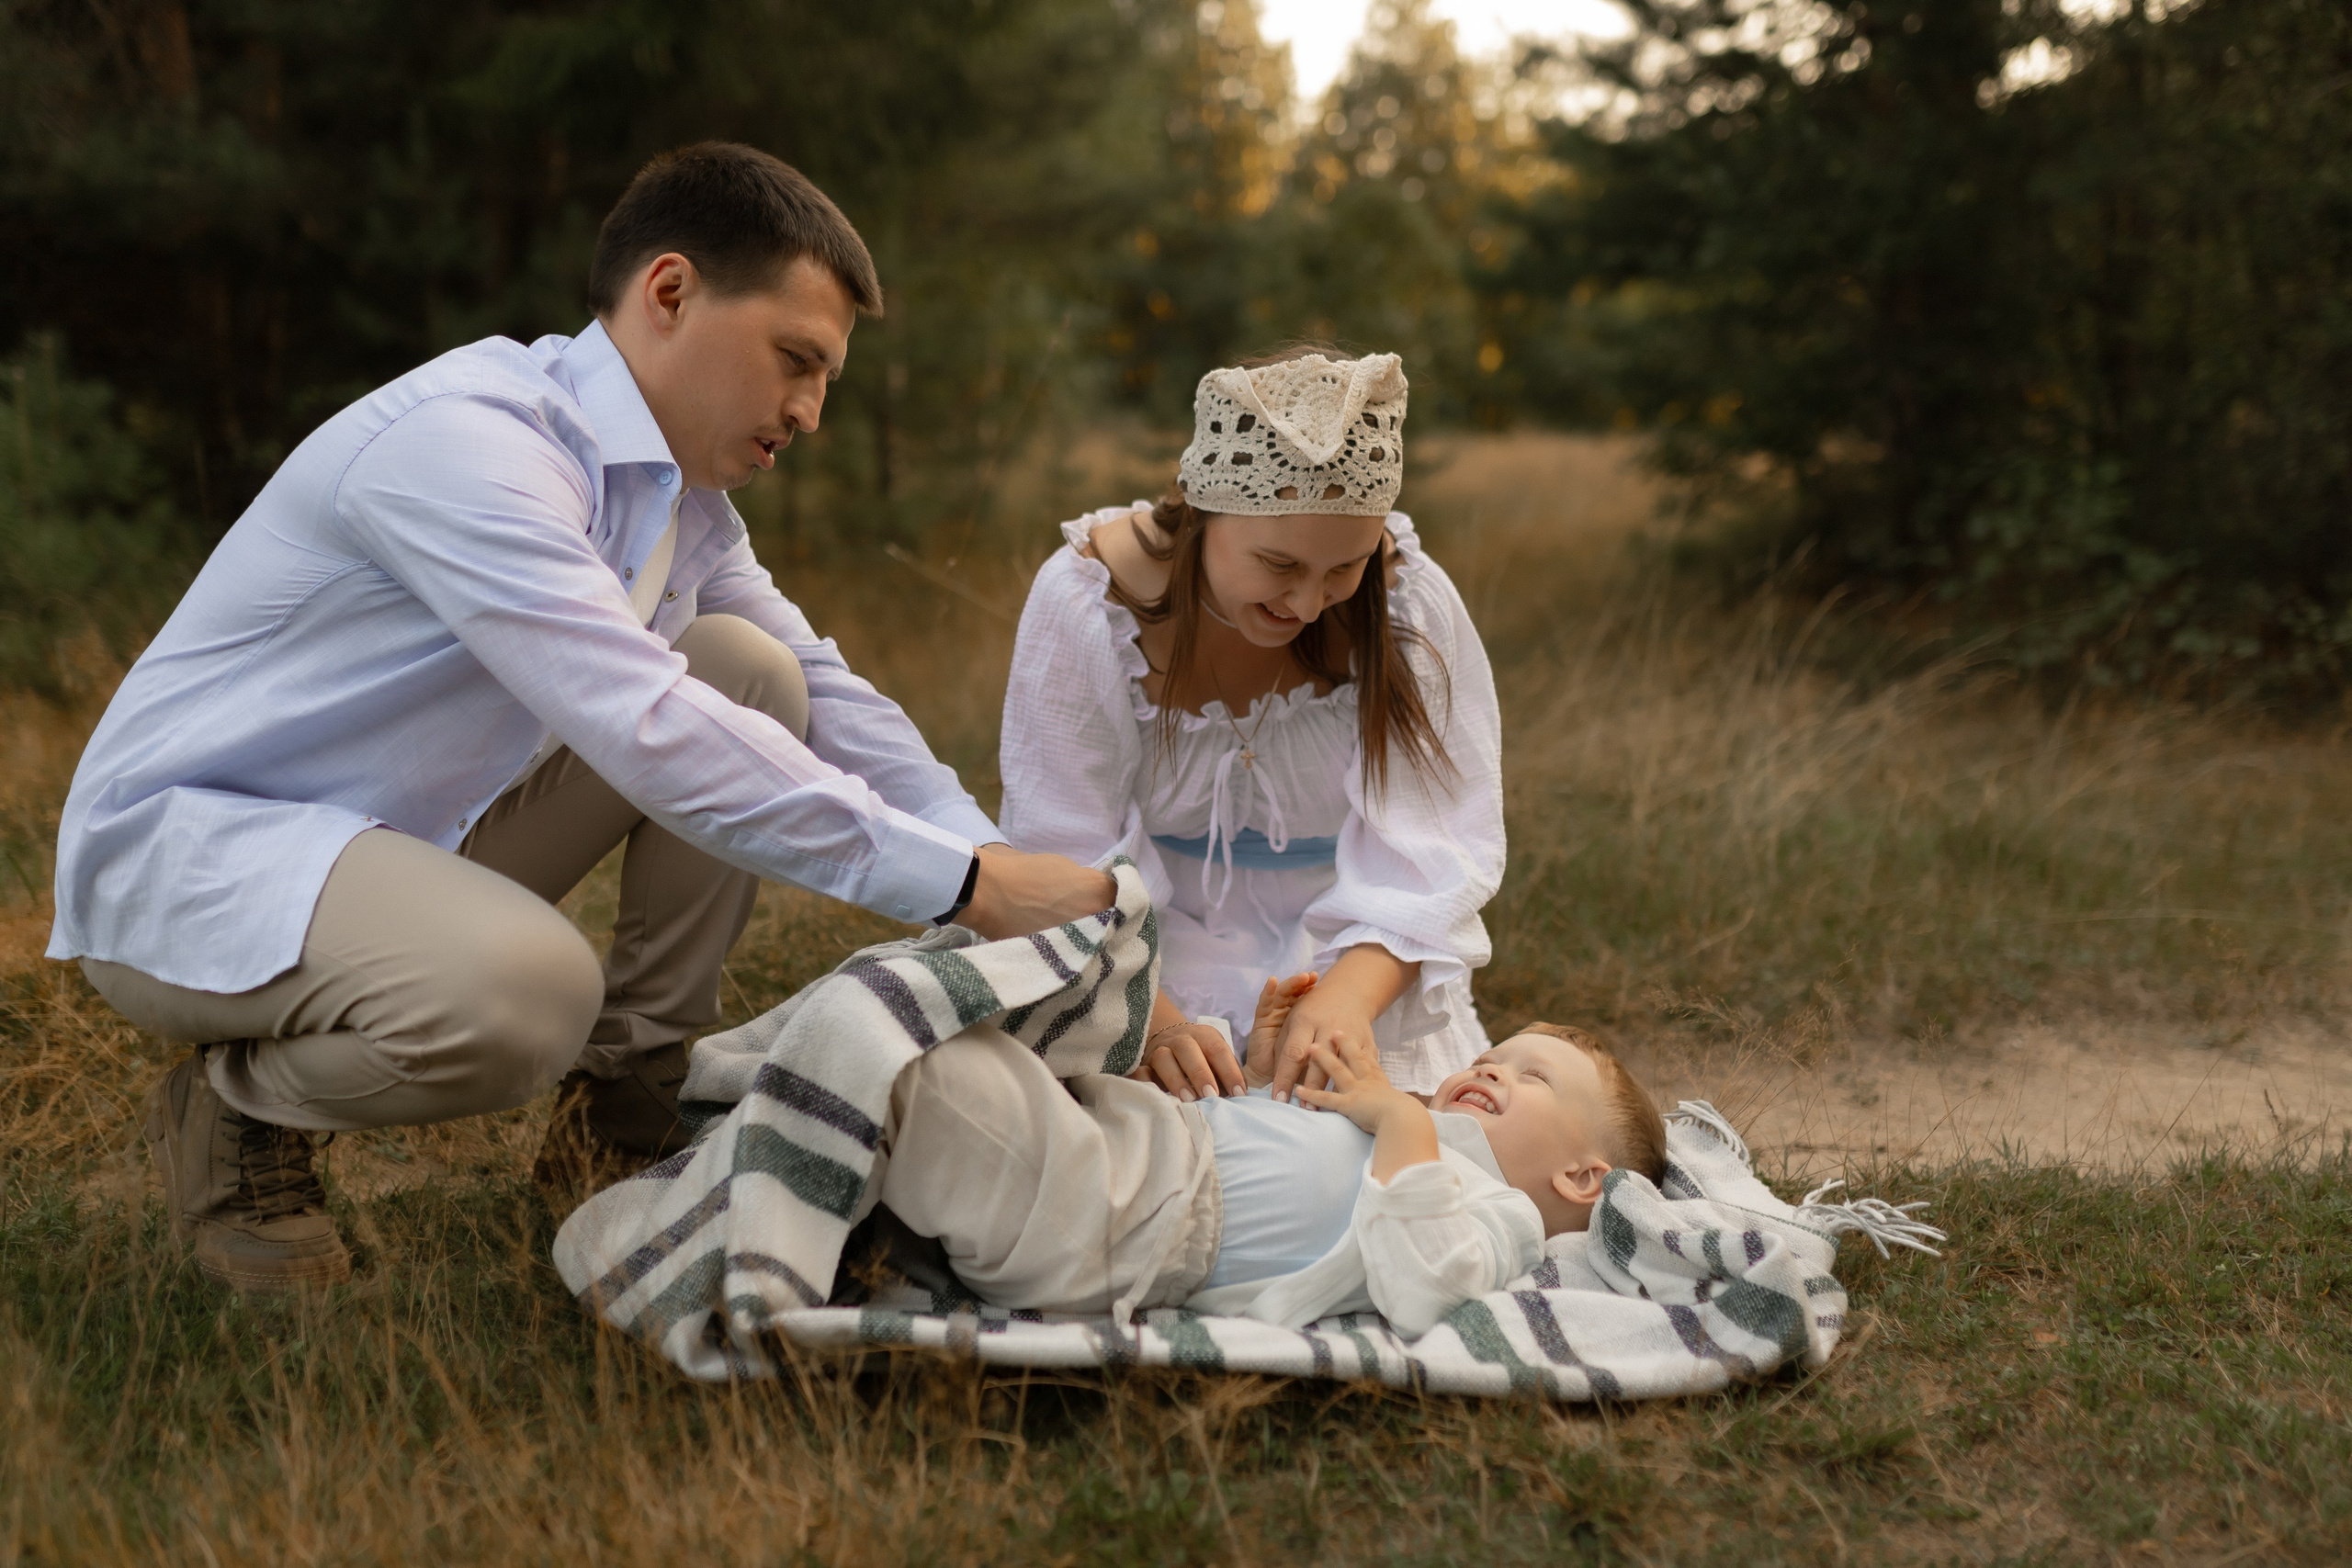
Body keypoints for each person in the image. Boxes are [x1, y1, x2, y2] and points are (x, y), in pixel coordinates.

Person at [49, 142, 1112, 1292]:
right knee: (530, 993)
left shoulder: (676, 505)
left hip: (385, 845)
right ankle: (237, 1114)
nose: (809, 412)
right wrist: (961, 886)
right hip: (190, 862)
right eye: (795, 360)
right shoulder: (471, 446)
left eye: (826, 380)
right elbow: (645, 724)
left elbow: (829, 694)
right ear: (670, 293)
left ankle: (624, 1108)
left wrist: (996, 868)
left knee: (752, 671)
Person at [999, 347, 1504, 1106]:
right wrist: (1153, 1023)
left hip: (1358, 955)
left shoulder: (1409, 605)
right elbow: (1060, 845)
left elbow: (1436, 850)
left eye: (1344, 569)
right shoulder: (1087, 601)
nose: (1307, 604)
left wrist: (1344, 1000)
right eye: (1279, 564)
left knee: (1393, 1147)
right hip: (1131, 959)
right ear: (1203, 512)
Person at [867, 973, 1669, 1336]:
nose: (1491, 1068)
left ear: (1580, 1176)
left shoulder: (1499, 1214)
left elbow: (1427, 1288)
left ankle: (836, 1115)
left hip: (1127, 1215)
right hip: (1134, 1141)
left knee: (927, 1071)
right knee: (963, 1011)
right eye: (1492, 1055)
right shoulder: (1405, 1129)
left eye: (1533, 1077)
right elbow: (1278, 1149)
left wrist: (1402, 1121)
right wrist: (1259, 1076)